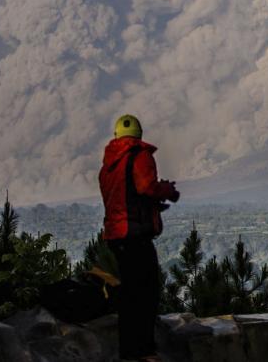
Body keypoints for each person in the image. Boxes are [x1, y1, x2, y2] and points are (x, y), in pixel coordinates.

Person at [98, 114, 180, 362]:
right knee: (146, 292)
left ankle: (129, 351)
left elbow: (125, 196)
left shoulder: (108, 166)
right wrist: (167, 191)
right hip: (134, 234)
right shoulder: (140, 155)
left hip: (116, 234)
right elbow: (145, 186)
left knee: (130, 292)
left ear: (116, 136)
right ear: (139, 134)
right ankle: (144, 351)